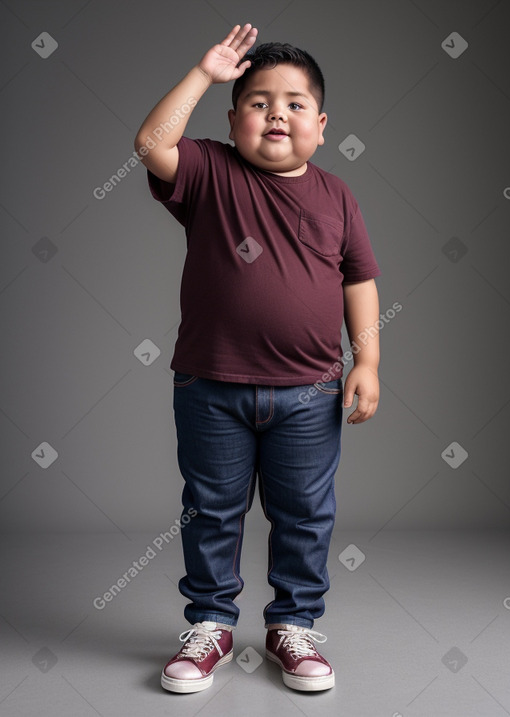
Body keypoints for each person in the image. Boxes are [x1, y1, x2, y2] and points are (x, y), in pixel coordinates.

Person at [134, 23, 381, 694]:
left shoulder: (337, 197)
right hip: (211, 384)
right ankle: (211, 620)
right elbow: (151, 144)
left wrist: (367, 361)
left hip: (310, 391)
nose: (277, 112)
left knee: (305, 510)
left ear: (322, 125)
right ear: (233, 118)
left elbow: (359, 279)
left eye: (295, 103)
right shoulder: (212, 172)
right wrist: (202, 71)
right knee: (212, 507)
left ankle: (292, 623)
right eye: (258, 101)